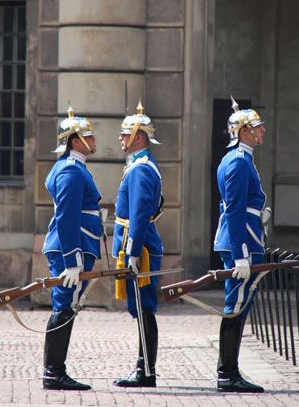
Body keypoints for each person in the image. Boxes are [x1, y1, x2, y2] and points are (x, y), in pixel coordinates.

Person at [42, 105, 103, 391]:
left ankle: (55, 371)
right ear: (75, 141)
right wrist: (72, 260)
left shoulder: (73, 168)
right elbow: (66, 218)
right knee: (64, 306)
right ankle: (54, 373)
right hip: (72, 248)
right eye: (89, 136)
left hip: (75, 246)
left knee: (66, 306)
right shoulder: (71, 171)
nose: (94, 141)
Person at [213, 96, 270, 393]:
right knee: (234, 307)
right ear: (244, 131)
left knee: (239, 305)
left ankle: (230, 370)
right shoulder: (237, 161)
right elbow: (234, 210)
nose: (262, 132)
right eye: (257, 128)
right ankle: (227, 373)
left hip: (246, 238)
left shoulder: (242, 159)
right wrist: (240, 255)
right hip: (242, 242)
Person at [112, 100, 163, 388]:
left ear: (138, 137)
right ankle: (145, 368)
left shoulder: (141, 169)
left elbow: (140, 214)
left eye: (124, 134)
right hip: (136, 245)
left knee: (144, 308)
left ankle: (146, 371)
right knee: (141, 308)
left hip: (139, 248)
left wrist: (131, 252)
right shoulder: (138, 166)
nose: (120, 138)